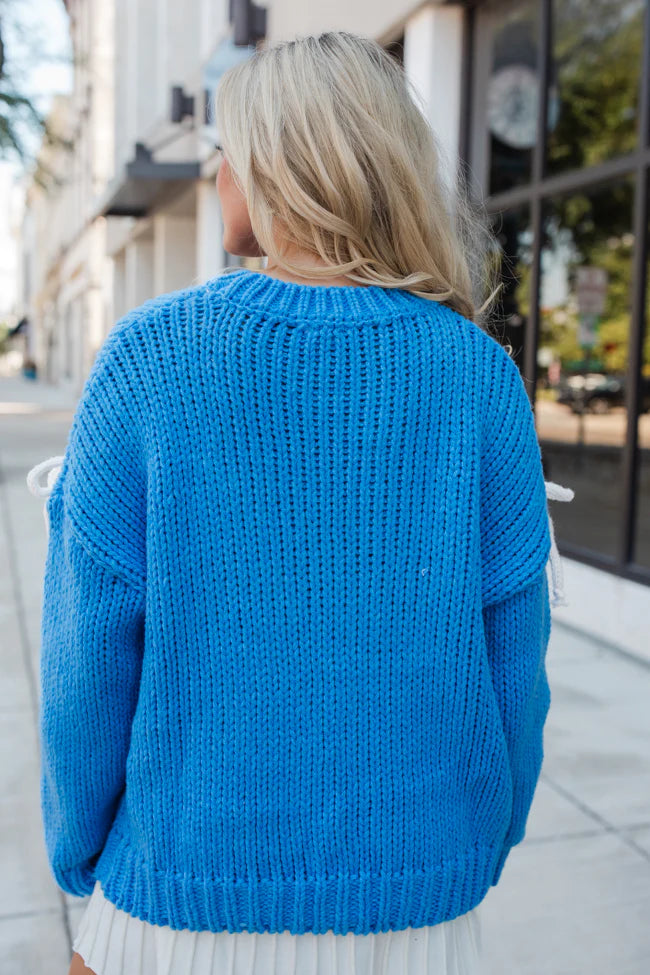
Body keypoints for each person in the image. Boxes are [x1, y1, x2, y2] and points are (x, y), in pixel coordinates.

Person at [28, 29, 572, 975]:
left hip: (173, 910)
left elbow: (89, 653)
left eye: (228, 150)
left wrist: (79, 851)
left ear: (284, 164)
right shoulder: (477, 375)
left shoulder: (150, 362)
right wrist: (486, 831)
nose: (221, 175)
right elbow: (513, 656)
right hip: (419, 916)